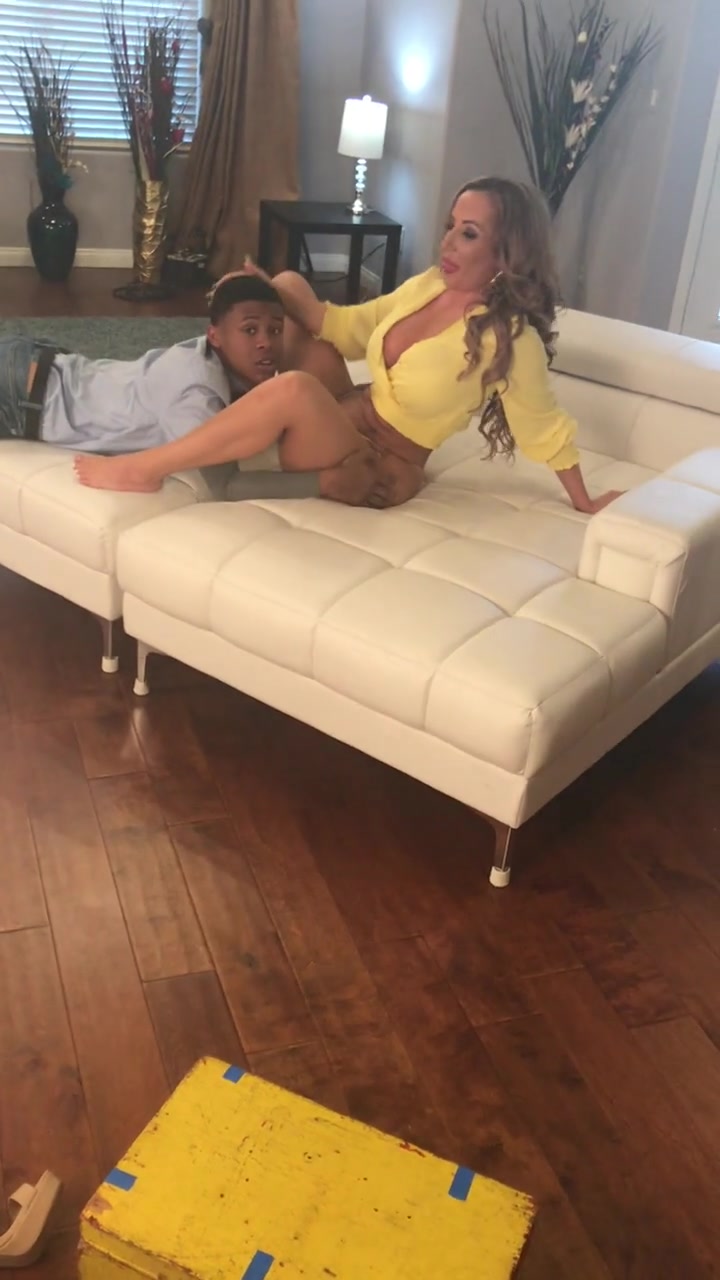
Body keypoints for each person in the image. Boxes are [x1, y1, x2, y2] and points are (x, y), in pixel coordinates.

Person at [73, 177, 622, 515]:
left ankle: (147, 466)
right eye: (450, 226)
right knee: (289, 300)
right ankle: (192, 390)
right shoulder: (429, 285)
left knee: (295, 388)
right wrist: (267, 291)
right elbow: (350, 326)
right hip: (347, 413)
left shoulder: (510, 340)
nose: (448, 243)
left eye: (469, 234)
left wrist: (585, 499)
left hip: (378, 464)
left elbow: (545, 427)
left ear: (508, 251)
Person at [0, 275, 331, 502]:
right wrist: (326, 482)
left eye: (275, 330)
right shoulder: (195, 397)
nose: (265, 343)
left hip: (36, 363)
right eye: (250, 330)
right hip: (21, 396)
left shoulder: (205, 354)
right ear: (215, 336)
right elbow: (225, 486)